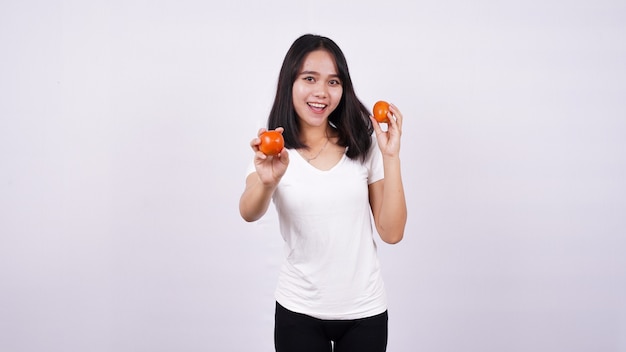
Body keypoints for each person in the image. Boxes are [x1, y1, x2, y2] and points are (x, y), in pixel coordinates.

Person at [239, 34, 407, 352]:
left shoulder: (362, 143)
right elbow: (248, 210)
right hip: (298, 311)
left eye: (333, 82)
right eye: (309, 78)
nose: (321, 92)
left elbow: (392, 232)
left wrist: (391, 156)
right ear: (290, 83)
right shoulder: (272, 149)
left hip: (364, 311)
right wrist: (267, 181)